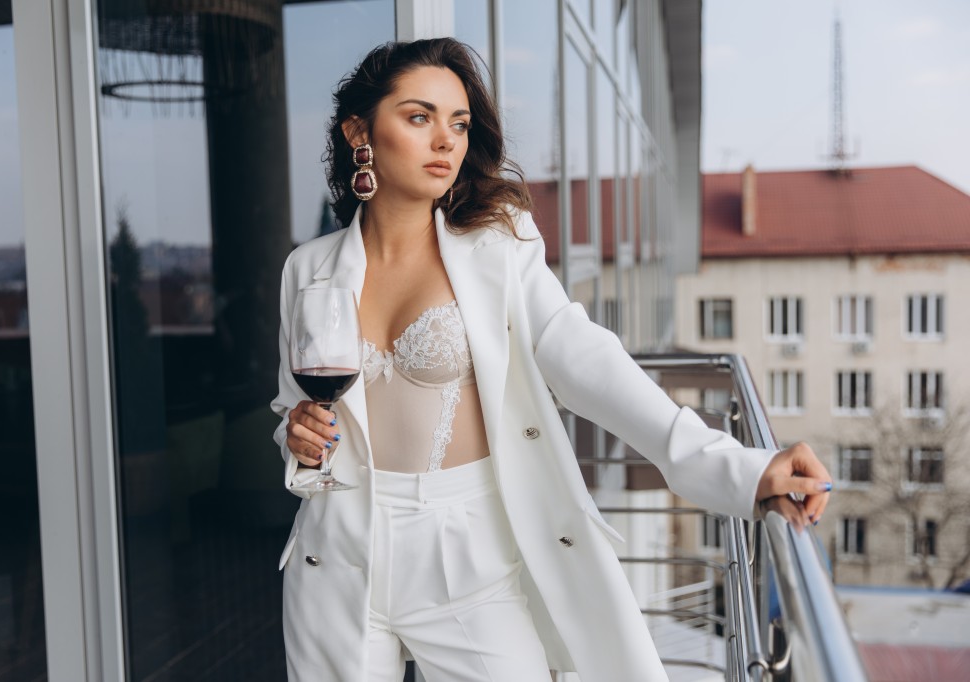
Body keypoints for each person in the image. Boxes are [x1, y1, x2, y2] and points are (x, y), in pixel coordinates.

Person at [271, 37, 831, 682]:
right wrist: (299, 437)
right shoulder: (307, 270)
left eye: (458, 123)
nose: (446, 142)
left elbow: (586, 359)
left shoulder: (496, 246)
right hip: (338, 555)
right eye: (420, 117)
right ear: (358, 131)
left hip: (471, 556)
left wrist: (739, 467)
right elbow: (294, 410)